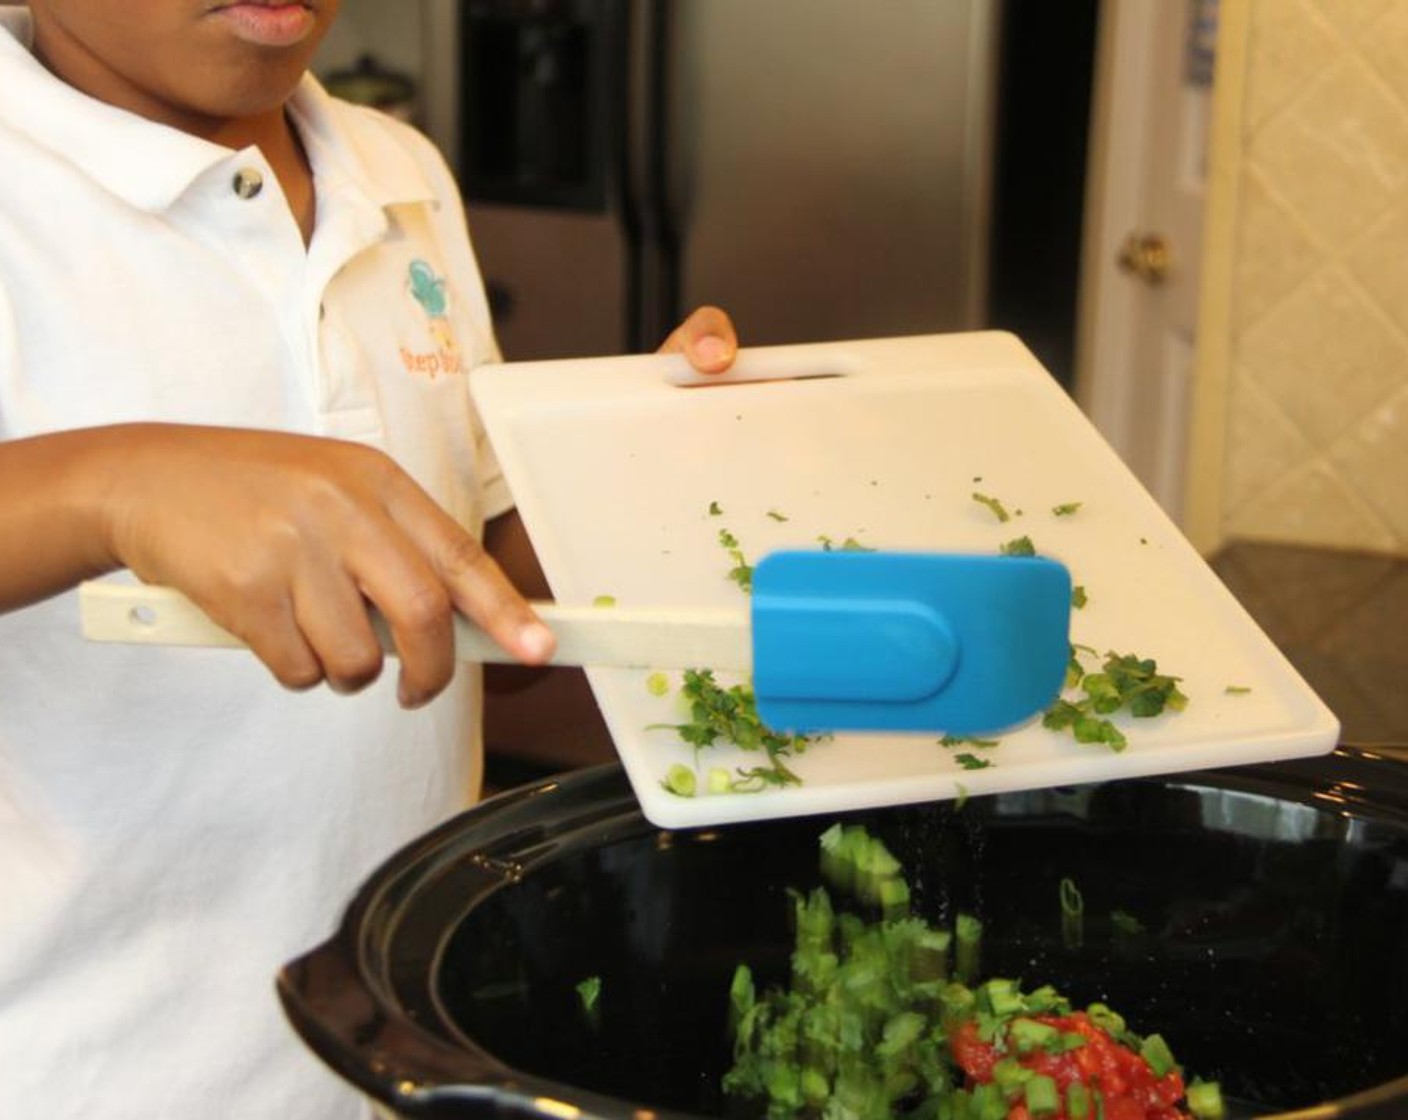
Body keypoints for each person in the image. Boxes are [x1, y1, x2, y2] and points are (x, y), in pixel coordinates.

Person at [0, 2, 738, 1116]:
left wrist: (625, 461)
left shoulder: (396, 170)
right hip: (97, 1071)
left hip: (408, 1051)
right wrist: (110, 483)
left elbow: (485, 617)